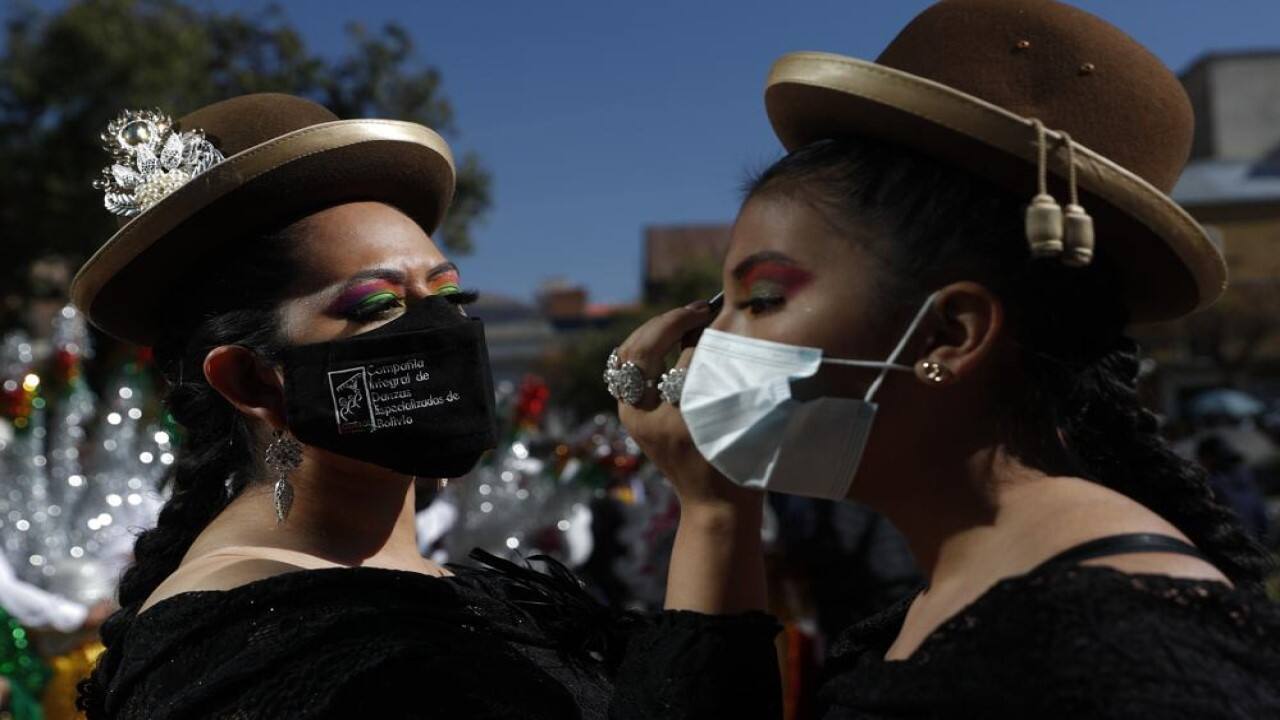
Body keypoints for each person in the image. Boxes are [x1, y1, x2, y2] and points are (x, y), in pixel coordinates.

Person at [608, 1, 1280, 716]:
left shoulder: (1134, 656)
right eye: (722, 306)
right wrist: (717, 509)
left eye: (764, 299)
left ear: (949, 335)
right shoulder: (956, 599)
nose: (712, 343)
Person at [72, 94, 780, 718]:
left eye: (450, 299)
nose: (440, 332)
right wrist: (713, 512)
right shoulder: (246, 645)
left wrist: (721, 499)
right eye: (378, 306)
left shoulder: (444, 588)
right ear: (253, 382)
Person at [1198, 434, 1270, 541]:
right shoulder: (1247, 476)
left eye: (1201, 459)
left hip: (1233, 545)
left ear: (1209, 458)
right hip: (1257, 543)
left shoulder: (1213, 485)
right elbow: (1261, 517)